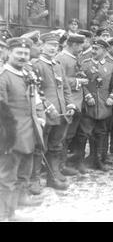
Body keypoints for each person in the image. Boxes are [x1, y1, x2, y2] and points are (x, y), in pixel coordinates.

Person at [0, 37, 45, 221]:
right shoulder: (4, 77)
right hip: (10, 136)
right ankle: (4, 214)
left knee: (23, 173)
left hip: (28, 132)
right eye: (19, 53)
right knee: (7, 177)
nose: (23, 57)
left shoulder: (25, 73)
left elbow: (34, 100)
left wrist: (39, 118)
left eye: (26, 54)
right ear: (9, 53)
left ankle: (16, 205)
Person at [30, 33, 76, 193]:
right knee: (39, 147)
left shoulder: (58, 65)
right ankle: (34, 180)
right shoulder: (36, 65)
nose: (52, 48)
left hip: (61, 114)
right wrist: (48, 107)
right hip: (45, 114)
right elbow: (35, 91)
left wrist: (70, 104)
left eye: (55, 46)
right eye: (49, 45)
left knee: (56, 146)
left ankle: (52, 176)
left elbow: (65, 88)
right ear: (42, 46)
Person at [75, 38, 113, 172]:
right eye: (93, 48)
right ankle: (80, 162)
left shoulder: (110, 66)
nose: (93, 51)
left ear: (105, 51)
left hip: (104, 106)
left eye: (97, 49)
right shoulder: (85, 64)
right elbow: (80, 81)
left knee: (101, 133)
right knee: (84, 133)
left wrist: (112, 97)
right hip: (88, 106)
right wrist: (87, 95)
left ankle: (97, 160)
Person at [55, 34, 88, 174]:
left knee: (78, 134)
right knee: (65, 136)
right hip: (69, 102)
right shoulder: (61, 58)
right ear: (73, 45)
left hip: (79, 101)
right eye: (80, 46)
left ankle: (76, 162)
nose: (82, 48)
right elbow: (59, 80)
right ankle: (61, 166)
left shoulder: (75, 57)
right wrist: (78, 82)